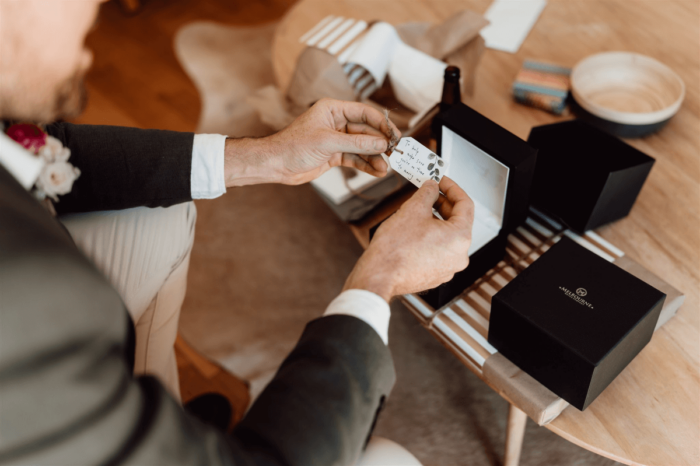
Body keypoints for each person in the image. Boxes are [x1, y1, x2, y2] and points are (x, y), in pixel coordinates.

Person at [0, 1, 475, 465]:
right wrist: (379, 279)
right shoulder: (30, 304)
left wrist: (269, 155)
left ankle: (156, 416)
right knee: (392, 459)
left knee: (156, 218)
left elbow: (56, 148)